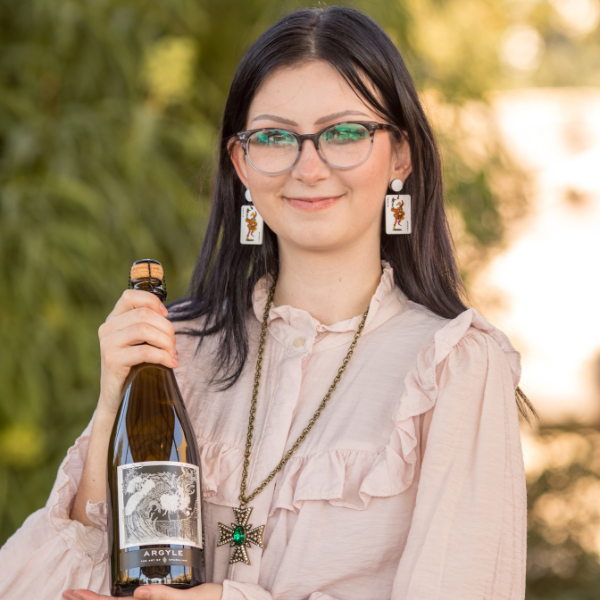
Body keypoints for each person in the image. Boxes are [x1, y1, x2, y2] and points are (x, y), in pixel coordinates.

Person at [0, 6, 531, 600]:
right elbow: (38, 586)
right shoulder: (181, 348)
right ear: (242, 164)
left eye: (345, 133)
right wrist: (111, 410)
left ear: (400, 155)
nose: (309, 166)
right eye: (275, 136)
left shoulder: (455, 367)